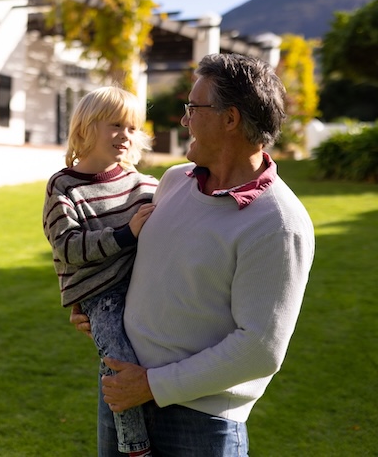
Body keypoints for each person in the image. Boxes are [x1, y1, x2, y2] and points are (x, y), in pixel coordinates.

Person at [72, 53, 315, 455]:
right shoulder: (173, 182)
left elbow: (260, 348)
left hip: (200, 420)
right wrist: (98, 303)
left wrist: (151, 385)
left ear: (230, 119)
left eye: (192, 108)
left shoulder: (279, 222)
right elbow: (154, 269)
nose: (184, 120)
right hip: (123, 390)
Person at [43, 86, 158, 457]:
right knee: (120, 363)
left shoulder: (143, 186)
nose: (125, 136)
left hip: (142, 290)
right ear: (86, 127)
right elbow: (68, 247)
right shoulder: (64, 187)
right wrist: (127, 234)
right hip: (101, 298)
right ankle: (134, 446)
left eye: (131, 128)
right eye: (115, 125)